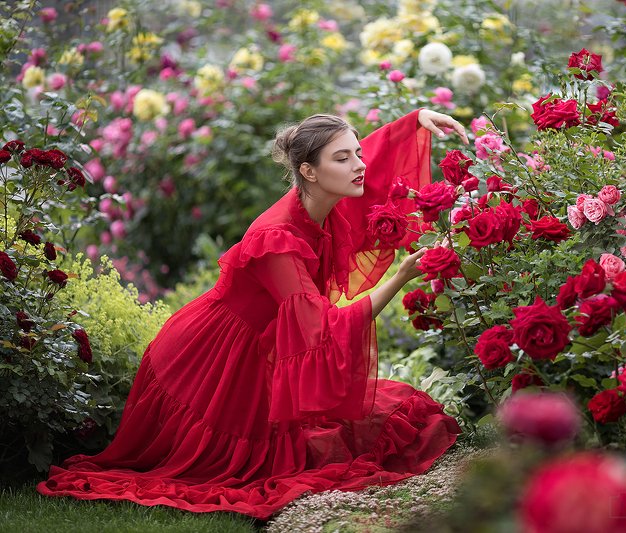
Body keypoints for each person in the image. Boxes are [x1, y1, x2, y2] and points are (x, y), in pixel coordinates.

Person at [37, 108, 467, 520]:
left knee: (400, 419)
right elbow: (323, 329)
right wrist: (400, 277)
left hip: (256, 346)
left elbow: (363, 164)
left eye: (358, 153)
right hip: (212, 362)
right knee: (254, 465)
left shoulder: (317, 196)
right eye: (344, 157)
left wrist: (414, 124)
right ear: (309, 172)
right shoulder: (277, 239)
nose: (359, 165)